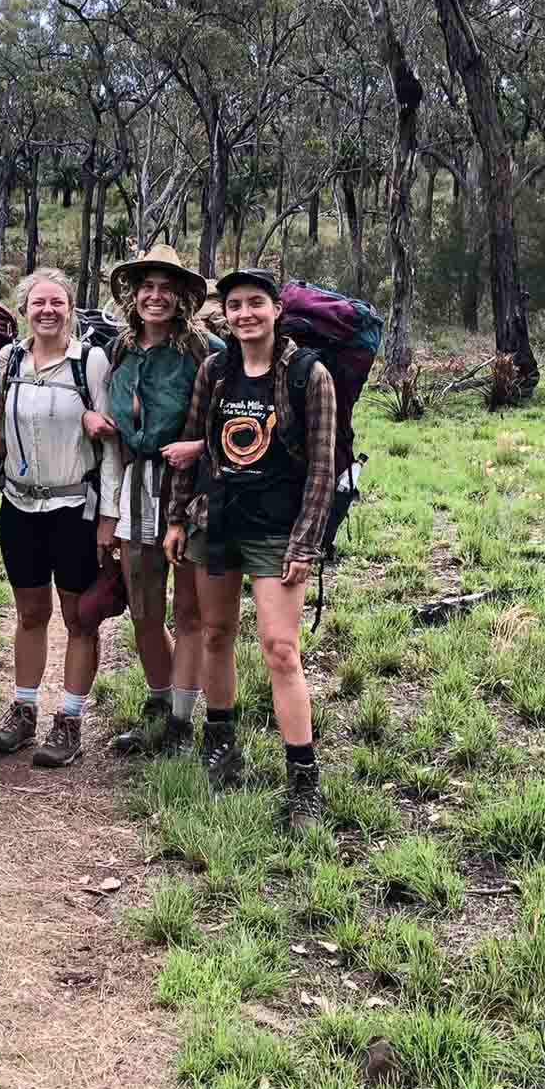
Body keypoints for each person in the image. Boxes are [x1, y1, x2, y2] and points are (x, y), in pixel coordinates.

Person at [164, 261, 336, 820]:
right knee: (215, 633)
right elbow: (192, 446)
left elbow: (321, 469)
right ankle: (220, 741)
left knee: (280, 650)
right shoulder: (214, 370)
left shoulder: (310, 375)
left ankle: (304, 779)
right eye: (234, 306)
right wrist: (175, 518)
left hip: (277, 530)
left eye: (255, 304)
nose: (244, 314)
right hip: (216, 521)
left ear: (276, 309)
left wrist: (305, 543)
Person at [0, 268, 118, 768]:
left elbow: (110, 443)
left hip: (74, 507)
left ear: (71, 309)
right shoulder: (9, 360)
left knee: (77, 618)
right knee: (29, 614)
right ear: (24, 310)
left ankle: (69, 720)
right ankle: (23, 711)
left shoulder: (90, 362)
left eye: (57, 303)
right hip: (20, 506)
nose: (48, 311)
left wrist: (109, 515)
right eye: (38, 303)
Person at [89, 245, 216, 759]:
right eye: (147, 287)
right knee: (143, 611)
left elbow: (232, 423)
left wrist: (201, 447)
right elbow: (114, 433)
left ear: (181, 296)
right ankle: (158, 705)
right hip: (135, 490)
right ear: (133, 295)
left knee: (188, 612)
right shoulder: (119, 349)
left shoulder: (202, 350)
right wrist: (111, 512)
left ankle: (183, 725)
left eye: (166, 288)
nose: (155, 296)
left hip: (190, 491)